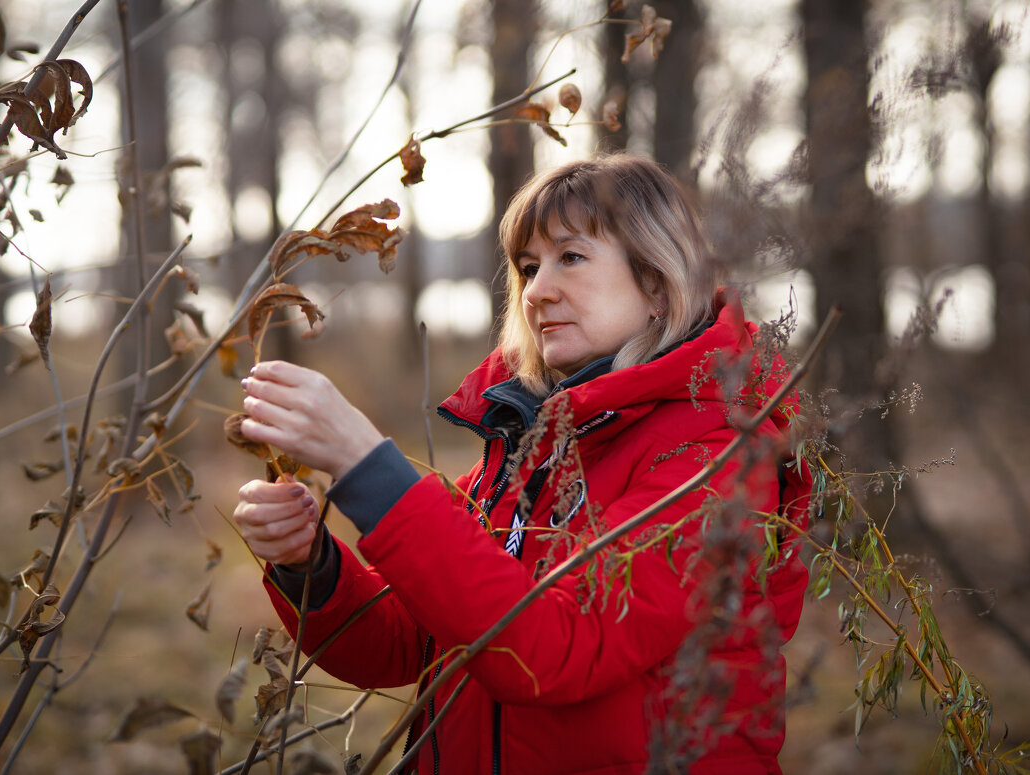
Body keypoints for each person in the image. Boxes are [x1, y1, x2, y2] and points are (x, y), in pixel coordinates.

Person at [234, 153, 811, 774]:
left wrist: (365, 466)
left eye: (572, 257)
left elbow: (555, 650)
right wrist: (311, 567)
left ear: (656, 282)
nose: (536, 291)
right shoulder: (532, 441)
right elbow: (415, 643)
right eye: (529, 268)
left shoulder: (716, 455)